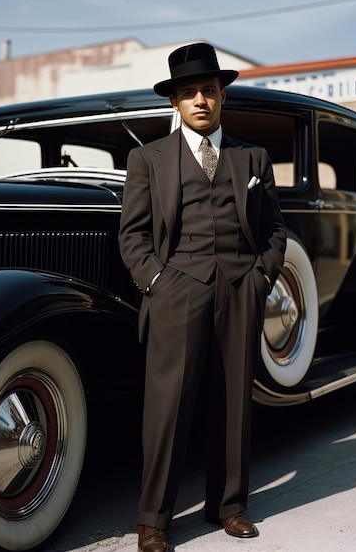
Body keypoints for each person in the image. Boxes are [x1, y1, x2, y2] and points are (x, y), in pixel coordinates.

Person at [118, 42, 286, 552]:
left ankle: (230, 507)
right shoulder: (148, 158)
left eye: (208, 91)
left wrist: (259, 278)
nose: (200, 100)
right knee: (168, 407)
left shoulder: (252, 157)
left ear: (221, 97)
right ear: (174, 101)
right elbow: (133, 235)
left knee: (235, 402)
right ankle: (154, 521)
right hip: (177, 292)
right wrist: (157, 283)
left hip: (240, 289)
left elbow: (275, 230)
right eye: (189, 92)